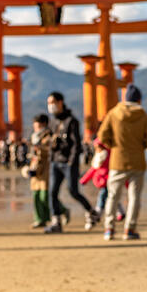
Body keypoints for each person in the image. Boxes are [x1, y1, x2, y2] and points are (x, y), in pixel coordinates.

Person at [97, 84, 147, 240]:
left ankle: (109, 228)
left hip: (117, 160)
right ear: (139, 99)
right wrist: (140, 145)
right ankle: (129, 229)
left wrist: (113, 145)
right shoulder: (144, 116)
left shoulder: (114, 113)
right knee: (134, 197)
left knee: (113, 196)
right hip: (137, 161)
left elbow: (101, 135)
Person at [44, 91, 98, 233]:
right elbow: (49, 140)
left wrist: (72, 161)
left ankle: (91, 211)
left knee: (73, 191)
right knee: (52, 192)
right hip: (55, 161)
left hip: (68, 162)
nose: (50, 106)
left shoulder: (71, 121)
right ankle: (56, 221)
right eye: (49, 103)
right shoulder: (53, 121)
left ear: (60, 102)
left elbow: (76, 144)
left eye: (52, 103)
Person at [28, 114, 52, 229]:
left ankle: (58, 213)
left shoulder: (49, 135)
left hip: (45, 167)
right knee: (36, 194)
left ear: (43, 124)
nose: (35, 127)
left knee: (44, 195)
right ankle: (39, 219)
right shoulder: (34, 137)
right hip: (35, 167)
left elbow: (50, 149)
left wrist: (39, 148)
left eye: (37, 124)